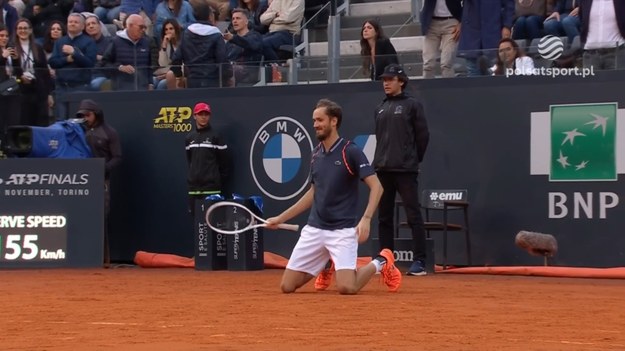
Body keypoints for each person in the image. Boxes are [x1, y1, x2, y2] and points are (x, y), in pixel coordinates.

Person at [265, 98, 401, 294]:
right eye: (314, 121)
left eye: (320, 120)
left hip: (342, 231)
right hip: (315, 230)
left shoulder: (350, 151)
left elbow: (377, 186)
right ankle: (326, 262)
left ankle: (382, 261)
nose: (315, 125)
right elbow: (313, 193)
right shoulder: (315, 154)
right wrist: (280, 218)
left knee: (347, 287)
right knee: (287, 286)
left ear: (334, 121)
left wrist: (366, 219)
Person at [373, 64, 430, 276]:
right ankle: (385, 260)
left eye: (390, 79)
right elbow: (380, 139)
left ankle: (420, 262)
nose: (386, 83)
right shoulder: (380, 107)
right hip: (383, 170)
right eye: (384, 79)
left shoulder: (412, 105)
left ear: (401, 81)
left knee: (413, 214)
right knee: (384, 217)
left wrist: (413, 159)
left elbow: (423, 136)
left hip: (406, 170)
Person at [75, 99, 122, 267]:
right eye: (82, 115)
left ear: (97, 114)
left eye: (88, 114)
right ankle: (80, 256)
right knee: (80, 216)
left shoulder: (109, 132)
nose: (85, 118)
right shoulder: (77, 131)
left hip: (102, 181)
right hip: (79, 181)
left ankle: (103, 259)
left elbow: (117, 157)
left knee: (101, 216)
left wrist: (102, 169)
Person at [48, 13, 97, 120]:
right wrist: (66, 59)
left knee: (79, 120)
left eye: (76, 22)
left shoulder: (89, 42)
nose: (72, 24)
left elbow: (90, 63)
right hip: (62, 87)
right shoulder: (60, 42)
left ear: (83, 26)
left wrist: (74, 54)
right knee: (61, 120)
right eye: (70, 22)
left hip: (80, 87)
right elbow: (53, 62)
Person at [171, 2, 231, 88]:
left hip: (192, 81)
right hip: (213, 81)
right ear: (209, 16)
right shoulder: (216, 34)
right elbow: (223, 59)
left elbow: (176, 59)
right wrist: (227, 78)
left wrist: (179, 76)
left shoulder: (186, 34)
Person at [185, 102, 230, 214]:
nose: (204, 117)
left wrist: (215, 180)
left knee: (212, 221)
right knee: (197, 223)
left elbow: (225, 163)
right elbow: (190, 160)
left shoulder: (216, 136)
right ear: (194, 116)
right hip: (194, 188)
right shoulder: (189, 138)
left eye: (206, 114)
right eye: (200, 114)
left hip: (212, 188)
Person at [457, 0, 515, 76]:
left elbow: (509, 5)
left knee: (495, 72)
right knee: (473, 72)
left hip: (494, 29)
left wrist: (507, 26)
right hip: (471, 32)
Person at [13, 18, 53, 127]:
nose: (23, 31)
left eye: (25, 28)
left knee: (39, 122)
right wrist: (20, 76)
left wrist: (49, 94)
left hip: (38, 90)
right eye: (20, 28)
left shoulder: (38, 48)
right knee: (24, 121)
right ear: (16, 31)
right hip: (21, 91)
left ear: (30, 30)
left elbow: (45, 72)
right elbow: (13, 70)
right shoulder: (12, 49)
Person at [101, 13, 153, 90]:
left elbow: (149, 66)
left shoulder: (146, 42)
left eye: (144, 27)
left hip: (142, 88)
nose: (143, 30)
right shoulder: (115, 42)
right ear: (130, 26)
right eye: (141, 27)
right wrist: (119, 67)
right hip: (121, 89)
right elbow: (104, 64)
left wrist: (150, 83)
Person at [420, 0, 462, 78]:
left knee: (446, 63)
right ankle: (427, 88)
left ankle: (448, 88)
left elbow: (467, 4)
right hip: (431, 22)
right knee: (428, 63)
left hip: (452, 22)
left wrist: (461, 22)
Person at [579, 0, 625, 71]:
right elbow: (582, 20)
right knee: (589, 82)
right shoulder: (585, 1)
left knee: (617, 82)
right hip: (590, 55)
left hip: (616, 54)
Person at [224, 8, 263, 86]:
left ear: (246, 21)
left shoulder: (255, 36)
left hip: (248, 71)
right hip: (231, 69)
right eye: (233, 19)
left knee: (228, 70)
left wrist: (233, 38)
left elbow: (250, 44)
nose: (235, 21)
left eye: (238, 18)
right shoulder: (230, 41)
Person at [0, 24, 21, 140]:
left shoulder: (9, 52)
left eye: (6, 36)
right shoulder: (4, 54)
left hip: (11, 90)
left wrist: (16, 60)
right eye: (1, 36)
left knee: (12, 120)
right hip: (0, 93)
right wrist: (3, 57)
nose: (4, 38)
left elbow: (18, 72)